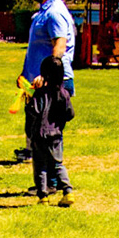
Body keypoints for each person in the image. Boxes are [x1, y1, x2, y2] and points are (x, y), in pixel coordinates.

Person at [18, 0, 75, 161]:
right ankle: (36, 158)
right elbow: (36, 48)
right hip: (37, 80)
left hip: (51, 80)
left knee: (48, 127)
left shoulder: (55, 12)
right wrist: (25, 74)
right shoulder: (44, 12)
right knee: (35, 122)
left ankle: (52, 170)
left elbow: (60, 45)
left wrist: (47, 76)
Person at [25, 54, 75, 206]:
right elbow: (70, 114)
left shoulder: (40, 94)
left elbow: (33, 111)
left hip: (40, 135)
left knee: (41, 166)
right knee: (58, 164)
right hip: (56, 135)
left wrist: (28, 101)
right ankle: (68, 191)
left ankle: (43, 196)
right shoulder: (64, 94)